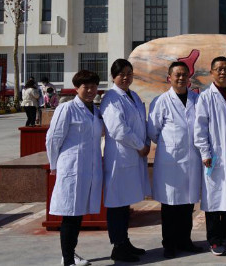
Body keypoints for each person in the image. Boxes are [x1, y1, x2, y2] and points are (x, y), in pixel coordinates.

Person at [45, 70, 103, 266]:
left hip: (88, 168)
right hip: (71, 167)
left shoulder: (95, 110)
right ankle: (68, 259)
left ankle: (69, 254)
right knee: (70, 214)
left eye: (93, 87)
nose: (89, 90)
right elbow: (53, 139)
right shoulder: (67, 108)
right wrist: (54, 164)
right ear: (77, 88)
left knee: (77, 214)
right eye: (85, 87)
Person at [147, 61, 203, 259]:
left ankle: (184, 241)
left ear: (189, 77)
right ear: (169, 78)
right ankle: (169, 244)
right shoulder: (161, 101)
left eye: (184, 75)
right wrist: (172, 142)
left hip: (192, 160)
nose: (181, 78)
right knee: (170, 206)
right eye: (177, 75)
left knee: (187, 204)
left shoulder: (197, 99)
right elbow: (153, 132)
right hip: (170, 161)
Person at [99, 59, 150, 262]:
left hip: (132, 156)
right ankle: (117, 246)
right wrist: (140, 145)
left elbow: (141, 122)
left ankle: (125, 241)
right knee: (116, 204)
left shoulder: (133, 95)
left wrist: (144, 141)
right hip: (120, 158)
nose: (126, 77)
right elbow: (118, 129)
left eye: (129, 73)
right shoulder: (110, 98)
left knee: (124, 203)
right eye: (122, 74)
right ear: (114, 76)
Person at [195, 56, 226, 256]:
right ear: (212, 72)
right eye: (218, 69)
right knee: (214, 199)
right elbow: (199, 129)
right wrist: (205, 152)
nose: (222, 72)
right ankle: (215, 239)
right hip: (214, 156)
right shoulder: (205, 97)